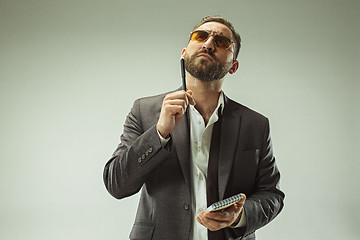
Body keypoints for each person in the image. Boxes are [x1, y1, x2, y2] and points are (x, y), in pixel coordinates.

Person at [103, 16, 284, 240]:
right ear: (184, 52)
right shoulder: (145, 111)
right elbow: (116, 184)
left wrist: (239, 217)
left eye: (222, 42)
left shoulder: (255, 124)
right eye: (201, 36)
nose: (208, 44)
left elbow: (272, 195)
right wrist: (159, 133)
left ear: (233, 67)